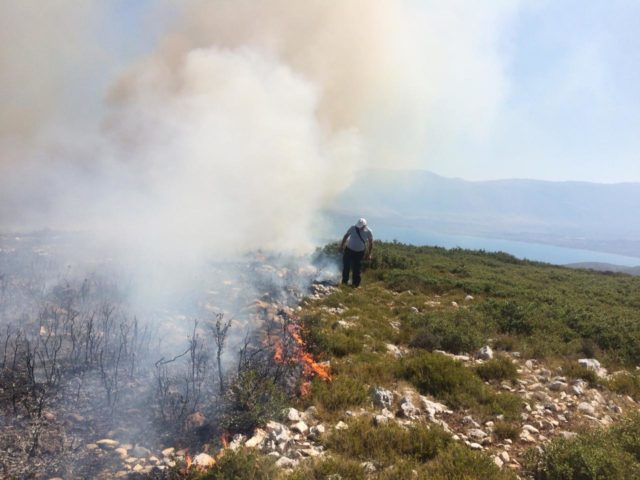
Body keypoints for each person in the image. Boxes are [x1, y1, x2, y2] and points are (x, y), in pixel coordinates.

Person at [340, 218, 373, 287]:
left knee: (357, 269)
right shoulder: (353, 228)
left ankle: (355, 285)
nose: (359, 228)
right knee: (346, 267)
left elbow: (371, 243)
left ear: (365, 226)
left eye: (361, 227)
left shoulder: (369, 231)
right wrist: (341, 246)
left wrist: (369, 254)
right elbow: (346, 236)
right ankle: (344, 282)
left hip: (359, 253)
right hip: (349, 250)